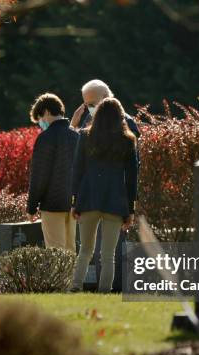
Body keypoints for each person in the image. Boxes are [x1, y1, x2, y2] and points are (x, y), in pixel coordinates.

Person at [70, 97, 138, 293]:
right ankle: (104, 291)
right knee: (107, 254)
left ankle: (76, 286)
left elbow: (77, 170)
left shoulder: (85, 137)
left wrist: (74, 201)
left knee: (85, 250)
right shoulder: (127, 141)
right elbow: (132, 178)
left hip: (88, 198)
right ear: (120, 117)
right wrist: (130, 209)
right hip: (115, 202)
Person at [27, 93, 79, 252]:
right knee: (70, 251)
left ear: (47, 112)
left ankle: (61, 279)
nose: (41, 123)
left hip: (52, 204)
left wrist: (31, 206)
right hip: (73, 204)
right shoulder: (76, 136)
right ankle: (72, 279)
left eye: (40, 117)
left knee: (55, 252)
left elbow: (39, 175)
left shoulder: (46, 138)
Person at [70, 79, 140, 137]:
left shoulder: (126, 122)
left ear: (106, 98)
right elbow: (79, 147)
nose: (90, 108)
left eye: (92, 104)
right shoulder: (90, 118)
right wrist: (72, 126)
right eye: (87, 105)